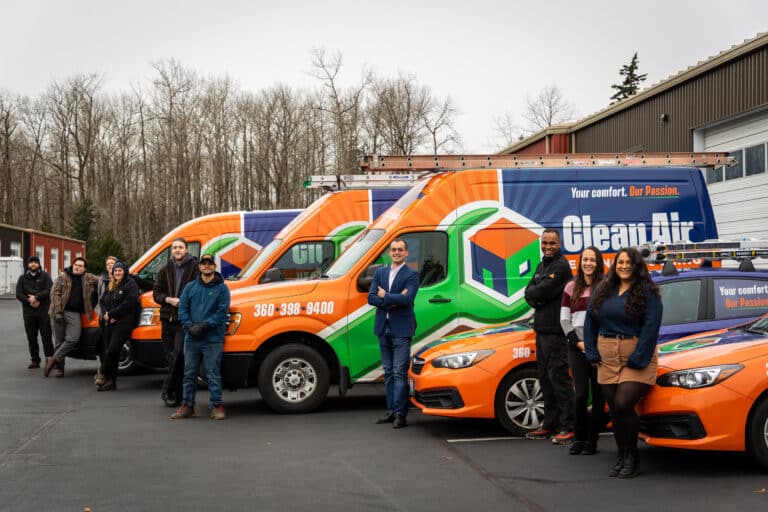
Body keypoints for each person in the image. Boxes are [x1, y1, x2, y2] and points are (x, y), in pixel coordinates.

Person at [584, 247, 662, 479]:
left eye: (629, 262)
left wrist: (638, 358)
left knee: (623, 403)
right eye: (620, 262)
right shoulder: (603, 289)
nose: (624, 266)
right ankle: (622, 455)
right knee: (615, 410)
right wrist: (591, 350)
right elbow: (590, 320)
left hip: (636, 353)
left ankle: (632, 457)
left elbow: (651, 327)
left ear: (637, 265)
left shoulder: (648, 292)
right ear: (614, 265)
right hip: (606, 353)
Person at [524, 228, 575, 444]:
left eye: (552, 243)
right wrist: (538, 296)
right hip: (542, 331)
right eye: (544, 243)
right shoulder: (542, 264)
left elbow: (540, 291)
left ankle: (569, 426)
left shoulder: (561, 267)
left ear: (559, 244)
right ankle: (549, 424)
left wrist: (539, 295)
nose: (548, 247)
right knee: (545, 379)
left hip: (556, 333)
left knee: (559, 379)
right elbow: (529, 293)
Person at [367, 238, 420, 429]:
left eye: (400, 250)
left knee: (399, 372)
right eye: (393, 250)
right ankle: (390, 411)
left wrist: (385, 296)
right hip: (383, 328)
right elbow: (371, 298)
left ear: (406, 253)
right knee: (388, 373)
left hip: (401, 330)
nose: (396, 252)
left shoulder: (412, 274)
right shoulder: (380, 272)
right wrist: (393, 300)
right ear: (389, 253)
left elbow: (408, 299)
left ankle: (400, 414)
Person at [171, 254, 230, 420]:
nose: (206, 266)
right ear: (199, 266)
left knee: (213, 374)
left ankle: (217, 406)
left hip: (212, 339)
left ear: (214, 266)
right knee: (189, 373)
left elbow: (221, 312)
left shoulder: (222, 289)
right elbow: (182, 309)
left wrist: (204, 325)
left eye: (209, 264)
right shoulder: (190, 287)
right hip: (191, 338)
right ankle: (187, 405)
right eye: (203, 264)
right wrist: (189, 326)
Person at [560, 246, 606, 455]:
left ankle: (592, 440)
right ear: (580, 262)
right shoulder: (571, 287)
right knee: (580, 395)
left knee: (598, 397)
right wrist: (578, 343)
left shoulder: (605, 287)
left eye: (592, 260)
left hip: (599, 349)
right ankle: (578, 438)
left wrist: (595, 344)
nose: (588, 263)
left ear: (598, 263)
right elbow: (564, 319)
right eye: (585, 259)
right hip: (576, 347)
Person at [153, 238, 198, 407]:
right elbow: (156, 293)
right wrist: (168, 299)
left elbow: (199, 290)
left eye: (180, 247)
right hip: (167, 319)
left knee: (178, 356)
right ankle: (177, 396)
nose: (177, 250)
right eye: (175, 247)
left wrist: (185, 302)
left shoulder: (195, 268)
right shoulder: (164, 270)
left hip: (184, 320)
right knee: (171, 357)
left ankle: (167, 391)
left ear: (186, 250)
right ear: (171, 251)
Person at [45, 257, 98, 377]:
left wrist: (92, 303)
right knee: (59, 341)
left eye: (80, 266)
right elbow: (54, 293)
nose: (77, 267)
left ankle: (52, 360)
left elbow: (104, 283)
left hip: (74, 313)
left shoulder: (89, 278)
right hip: (58, 311)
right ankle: (60, 368)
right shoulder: (63, 276)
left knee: (73, 338)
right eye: (75, 265)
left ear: (84, 269)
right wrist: (58, 312)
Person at [97, 261, 140, 391]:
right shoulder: (111, 284)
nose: (117, 273)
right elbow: (102, 300)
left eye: (120, 270)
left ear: (125, 271)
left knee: (113, 349)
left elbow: (129, 303)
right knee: (111, 352)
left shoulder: (130, 284)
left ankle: (102, 372)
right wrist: (105, 313)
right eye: (115, 271)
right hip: (109, 322)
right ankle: (111, 381)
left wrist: (112, 314)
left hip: (124, 322)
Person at [15, 256, 54, 369]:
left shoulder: (45, 276)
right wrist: (29, 301)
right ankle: (35, 360)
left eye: (35, 262)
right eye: (31, 262)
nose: (33, 264)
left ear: (39, 264)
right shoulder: (22, 278)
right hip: (29, 313)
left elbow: (49, 289)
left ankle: (49, 359)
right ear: (28, 265)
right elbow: (19, 294)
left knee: (46, 336)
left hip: (43, 312)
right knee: (31, 337)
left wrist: (37, 298)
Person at [94, 255, 117, 386]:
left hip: (115, 317)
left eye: (112, 263)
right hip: (103, 316)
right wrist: (102, 314)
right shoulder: (102, 279)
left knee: (112, 347)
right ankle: (105, 369)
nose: (110, 265)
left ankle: (105, 372)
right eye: (108, 263)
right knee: (104, 344)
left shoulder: (120, 277)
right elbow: (99, 297)